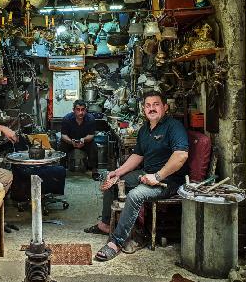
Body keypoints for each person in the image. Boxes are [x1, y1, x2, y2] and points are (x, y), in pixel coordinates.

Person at [86, 90, 189, 261]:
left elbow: (181, 155)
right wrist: (117, 172)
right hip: (147, 174)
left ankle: (116, 242)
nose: (152, 108)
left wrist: (157, 176)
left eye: (156, 104)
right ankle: (105, 224)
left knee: (135, 195)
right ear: (143, 109)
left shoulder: (173, 127)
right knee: (113, 181)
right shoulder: (144, 130)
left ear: (165, 107)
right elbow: (137, 156)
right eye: (148, 105)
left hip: (169, 181)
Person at [59, 99, 99, 180]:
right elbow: (63, 135)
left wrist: (83, 140)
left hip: (85, 142)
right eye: (78, 109)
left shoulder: (90, 119)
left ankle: (94, 170)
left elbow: (91, 135)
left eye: (83, 110)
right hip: (70, 142)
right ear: (73, 110)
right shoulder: (67, 119)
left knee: (93, 145)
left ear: (85, 110)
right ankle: (61, 170)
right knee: (62, 144)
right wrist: (71, 142)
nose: (81, 112)